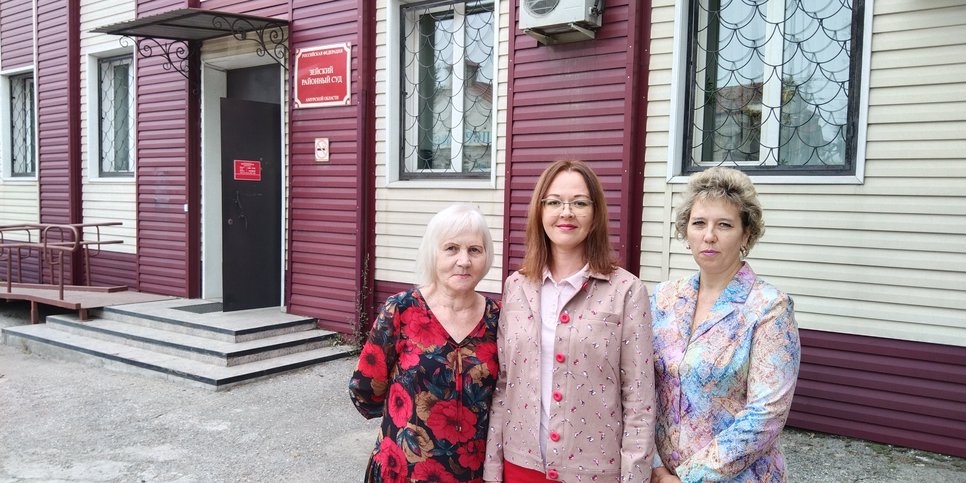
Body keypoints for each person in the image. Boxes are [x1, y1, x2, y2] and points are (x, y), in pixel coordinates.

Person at [483, 160, 656, 482]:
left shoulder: (627, 291)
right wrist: (493, 470)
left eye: (579, 202)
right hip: (521, 466)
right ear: (539, 211)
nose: (566, 212)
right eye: (554, 202)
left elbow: (640, 400)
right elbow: (504, 385)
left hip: (594, 470)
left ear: (596, 213)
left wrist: (635, 477)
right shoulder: (516, 287)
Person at [649, 166, 801, 482]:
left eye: (724, 225)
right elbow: (638, 388)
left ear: (746, 233)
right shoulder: (663, 298)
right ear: (685, 231)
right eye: (699, 223)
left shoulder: (769, 308)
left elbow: (767, 414)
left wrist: (689, 477)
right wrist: (654, 467)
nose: (709, 235)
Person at [349, 203, 501, 483]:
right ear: (433, 253)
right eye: (452, 248)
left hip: (473, 473)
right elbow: (365, 389)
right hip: (403, 469)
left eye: (474, 250)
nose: (464, 260)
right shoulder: (402, 310)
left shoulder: (498, 318)